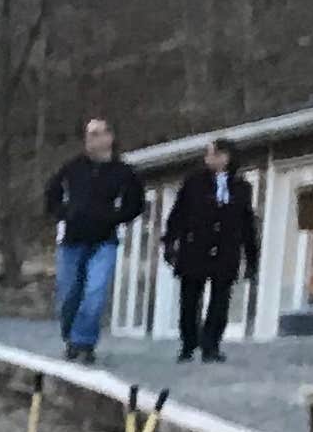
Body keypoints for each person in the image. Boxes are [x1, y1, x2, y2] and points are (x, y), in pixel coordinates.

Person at [44, 115, 147, 364]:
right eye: (89, 134)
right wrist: (63, 213)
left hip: (104, 240)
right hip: (72, 241)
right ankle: (70, 337)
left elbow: (136, 203)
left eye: (97, 133)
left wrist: (116, 217)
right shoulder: (72, 167)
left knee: (95, 292)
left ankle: (85, 342)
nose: (92, 139)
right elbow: (52, 193)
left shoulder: (123, 172)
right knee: (69, 294)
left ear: (109, 137)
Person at [162, 136, 259, 365]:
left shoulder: (241, 187)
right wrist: (170, 241)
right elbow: (178, 213)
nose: (208, 158)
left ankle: (211, 345)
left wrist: (252, 257)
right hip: (195, 247)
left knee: (220, 299)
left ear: (226, 157)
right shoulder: (194, 182)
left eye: (213, 153)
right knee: (190, 298)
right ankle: (188, 343)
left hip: (226, 249)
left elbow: (247, 223)